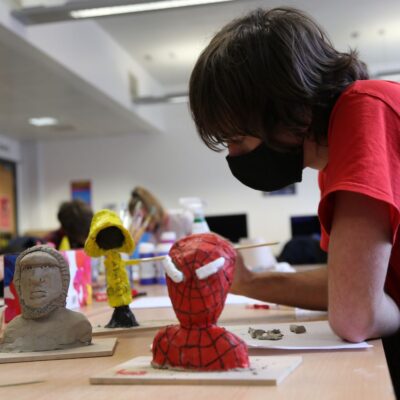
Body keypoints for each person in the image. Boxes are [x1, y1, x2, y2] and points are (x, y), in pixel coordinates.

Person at [189, 7, 400, 346]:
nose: (234, 154)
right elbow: (346, 286)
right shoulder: (330, 160)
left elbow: (355, 315)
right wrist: (243, 280)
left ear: (292, 106)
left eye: (238, 138)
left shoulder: (366, 109)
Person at [0, 245, 92, 352]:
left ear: (63, 279)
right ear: (18, 281)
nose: (35, 278)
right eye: (28, 268)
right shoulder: (13, 332)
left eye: (46, 267)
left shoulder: (78, 326)